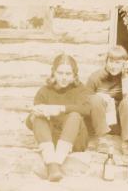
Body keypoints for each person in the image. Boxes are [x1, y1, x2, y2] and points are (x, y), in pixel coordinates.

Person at [26, 54, 90, 182]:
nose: (64, 77)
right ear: (53, 73)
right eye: (60, 73)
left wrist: (60, 108)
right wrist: (35, 113)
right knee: (37, 118)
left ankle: (55, 163)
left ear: (74, 75)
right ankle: (53, 166)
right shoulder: (44, 91)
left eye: (68, 74)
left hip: (74, 139)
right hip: (51, 139)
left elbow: (86, 110)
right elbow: (30, 124)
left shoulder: (80, 89)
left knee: (75, 115)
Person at [85, 46, 128, 155]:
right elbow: (85, 99)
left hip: (120, 124)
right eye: (111, 61)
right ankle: (102, 139)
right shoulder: (96, 77)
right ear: (106, 62)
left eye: (118, 62)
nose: (113, 66)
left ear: (125, 63)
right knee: (94, 98)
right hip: (101, 123)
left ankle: (127, 141)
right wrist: (101, 96)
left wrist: (125, 76)